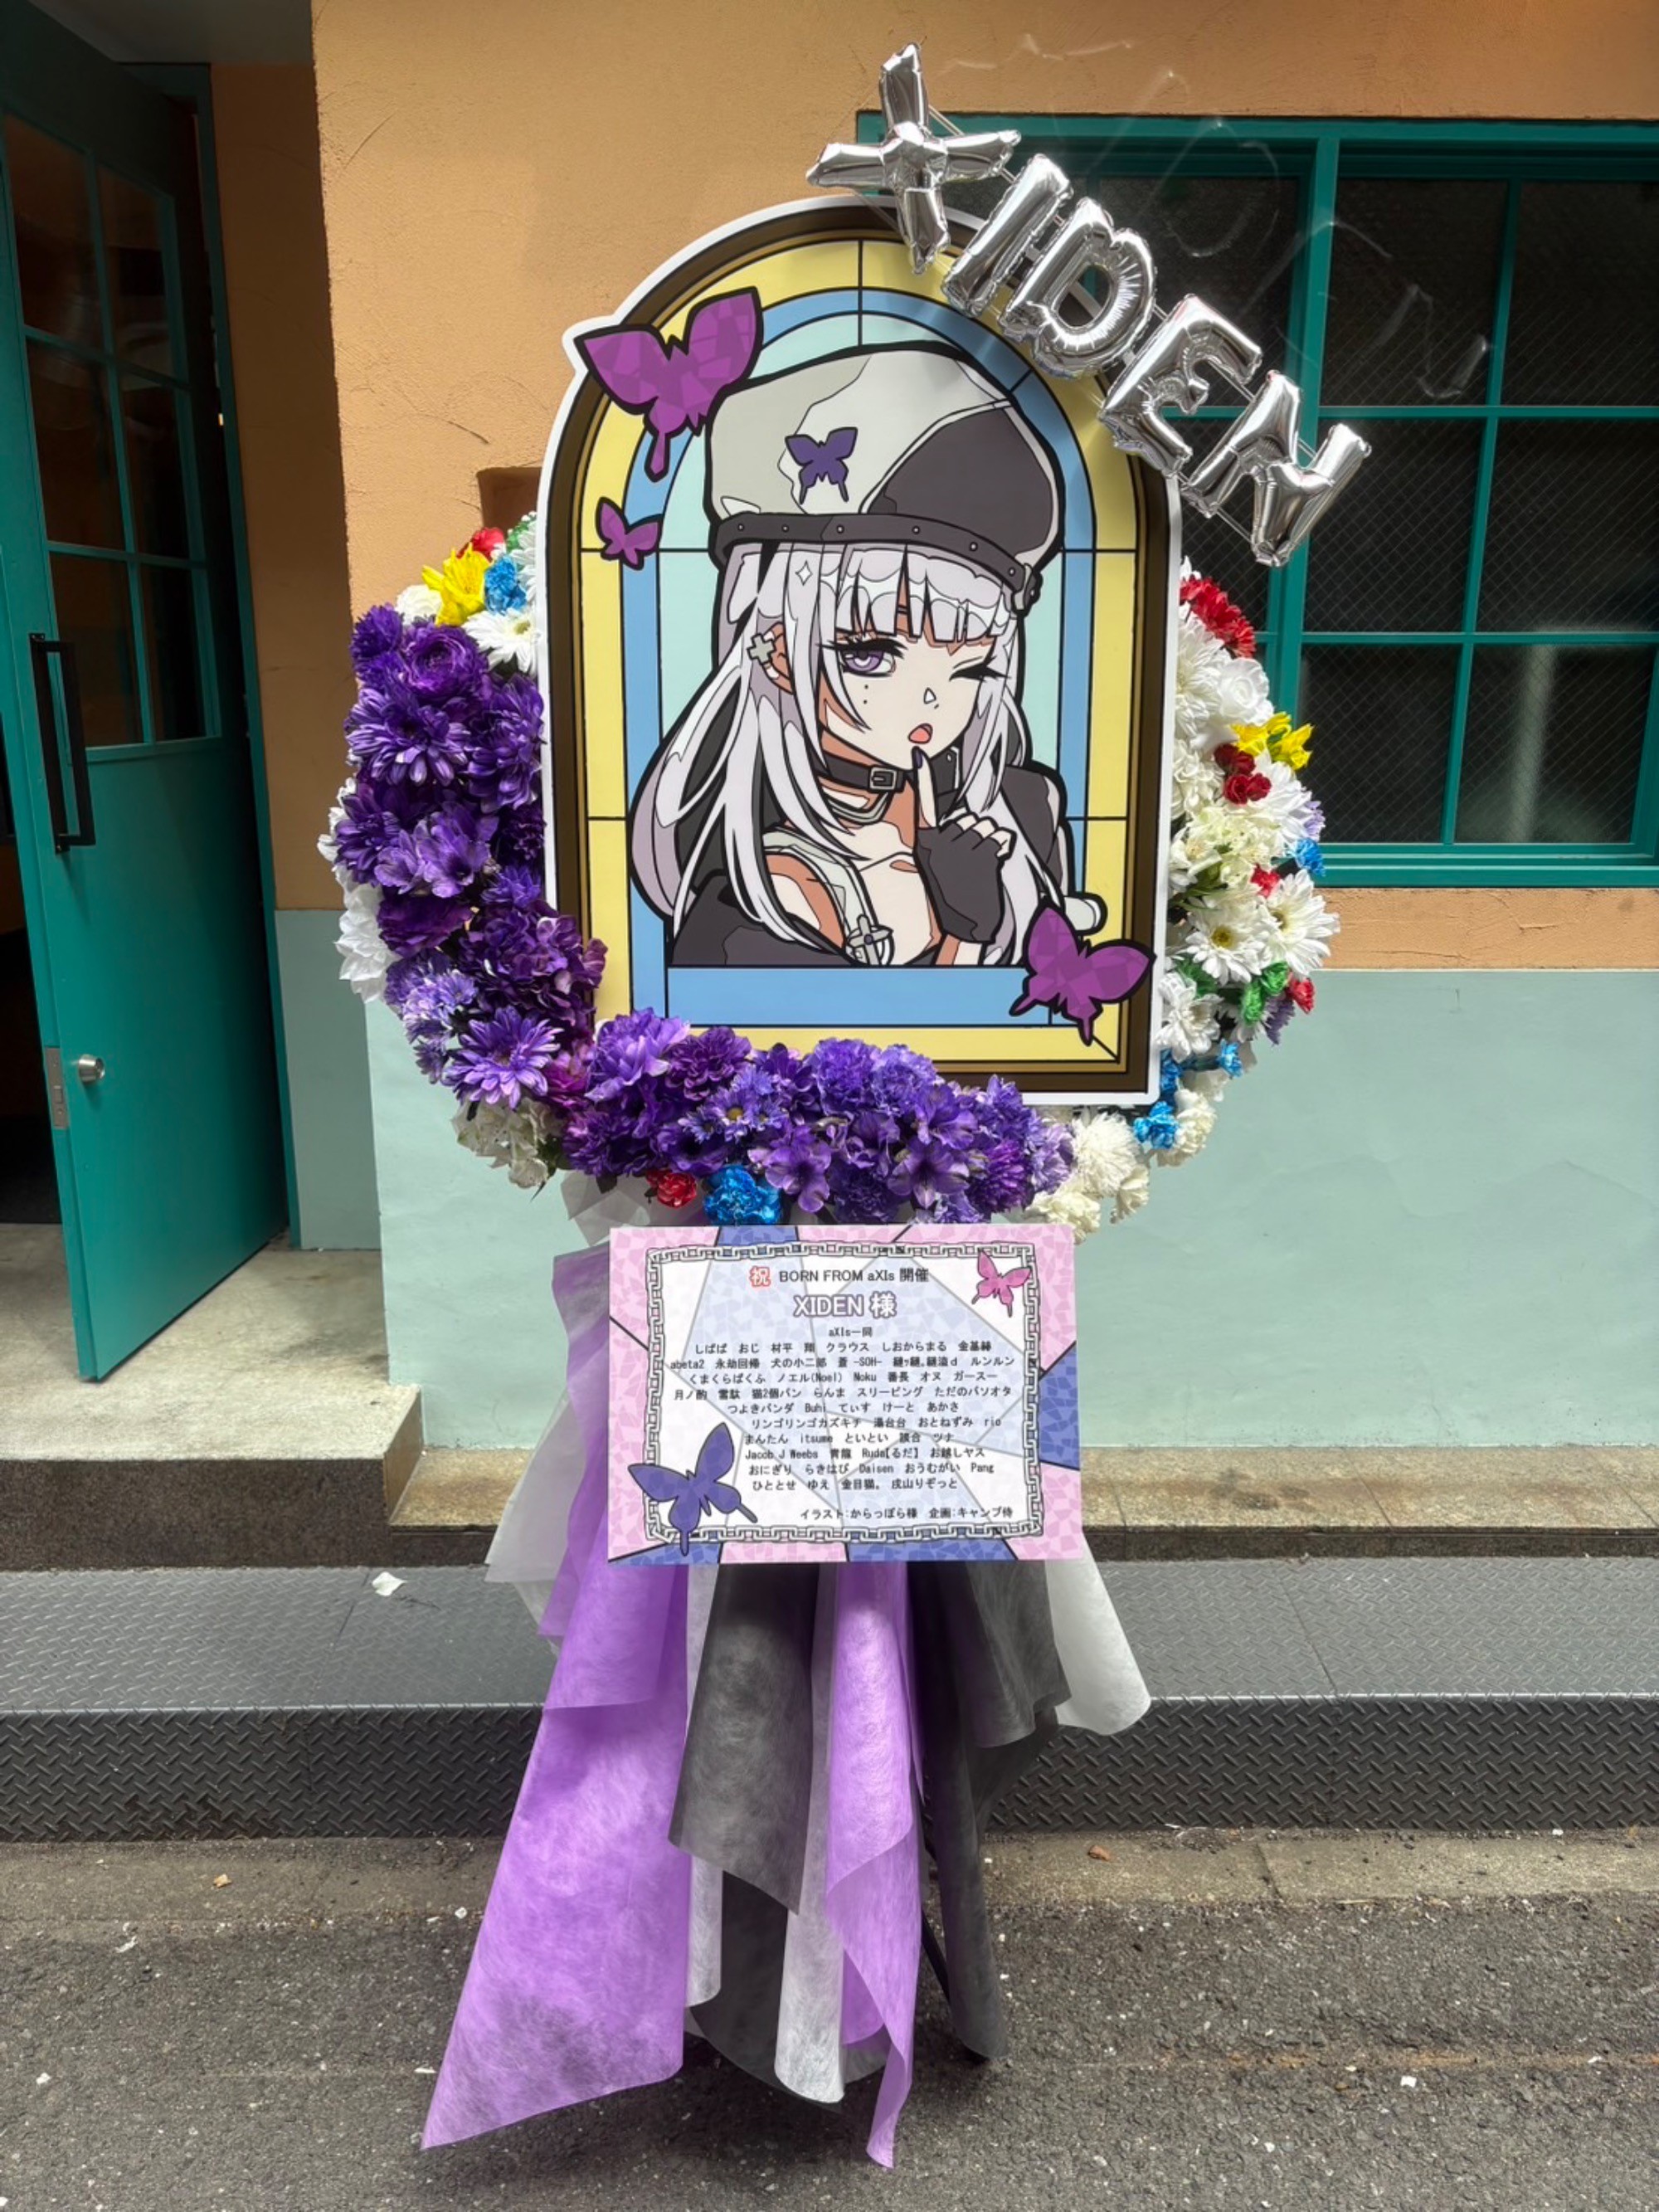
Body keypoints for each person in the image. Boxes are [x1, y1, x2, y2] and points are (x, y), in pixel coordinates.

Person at [630, 344, 1104, 968]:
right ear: (777, 648)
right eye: (872, 654)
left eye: (971, 667)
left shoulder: (1021, 816)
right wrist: (966, 936)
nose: (931, 700)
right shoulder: (735, 880)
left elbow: (1051, 1021)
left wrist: (991, 923)